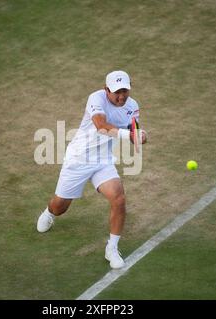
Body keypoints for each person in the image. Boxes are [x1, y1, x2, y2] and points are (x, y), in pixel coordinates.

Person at [36, 70, 147, 269]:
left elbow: (134, 131)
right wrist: (128, 135)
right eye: (117, 92)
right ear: (106, 90)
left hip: (103, 161)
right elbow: (101, 126)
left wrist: (139, 136)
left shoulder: (133, 106)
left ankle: (111, 248)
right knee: (60, 206)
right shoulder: (96, 98)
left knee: (118, 198)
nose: (121, 96)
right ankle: (49, 213)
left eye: (125, 91)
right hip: (78, 159)